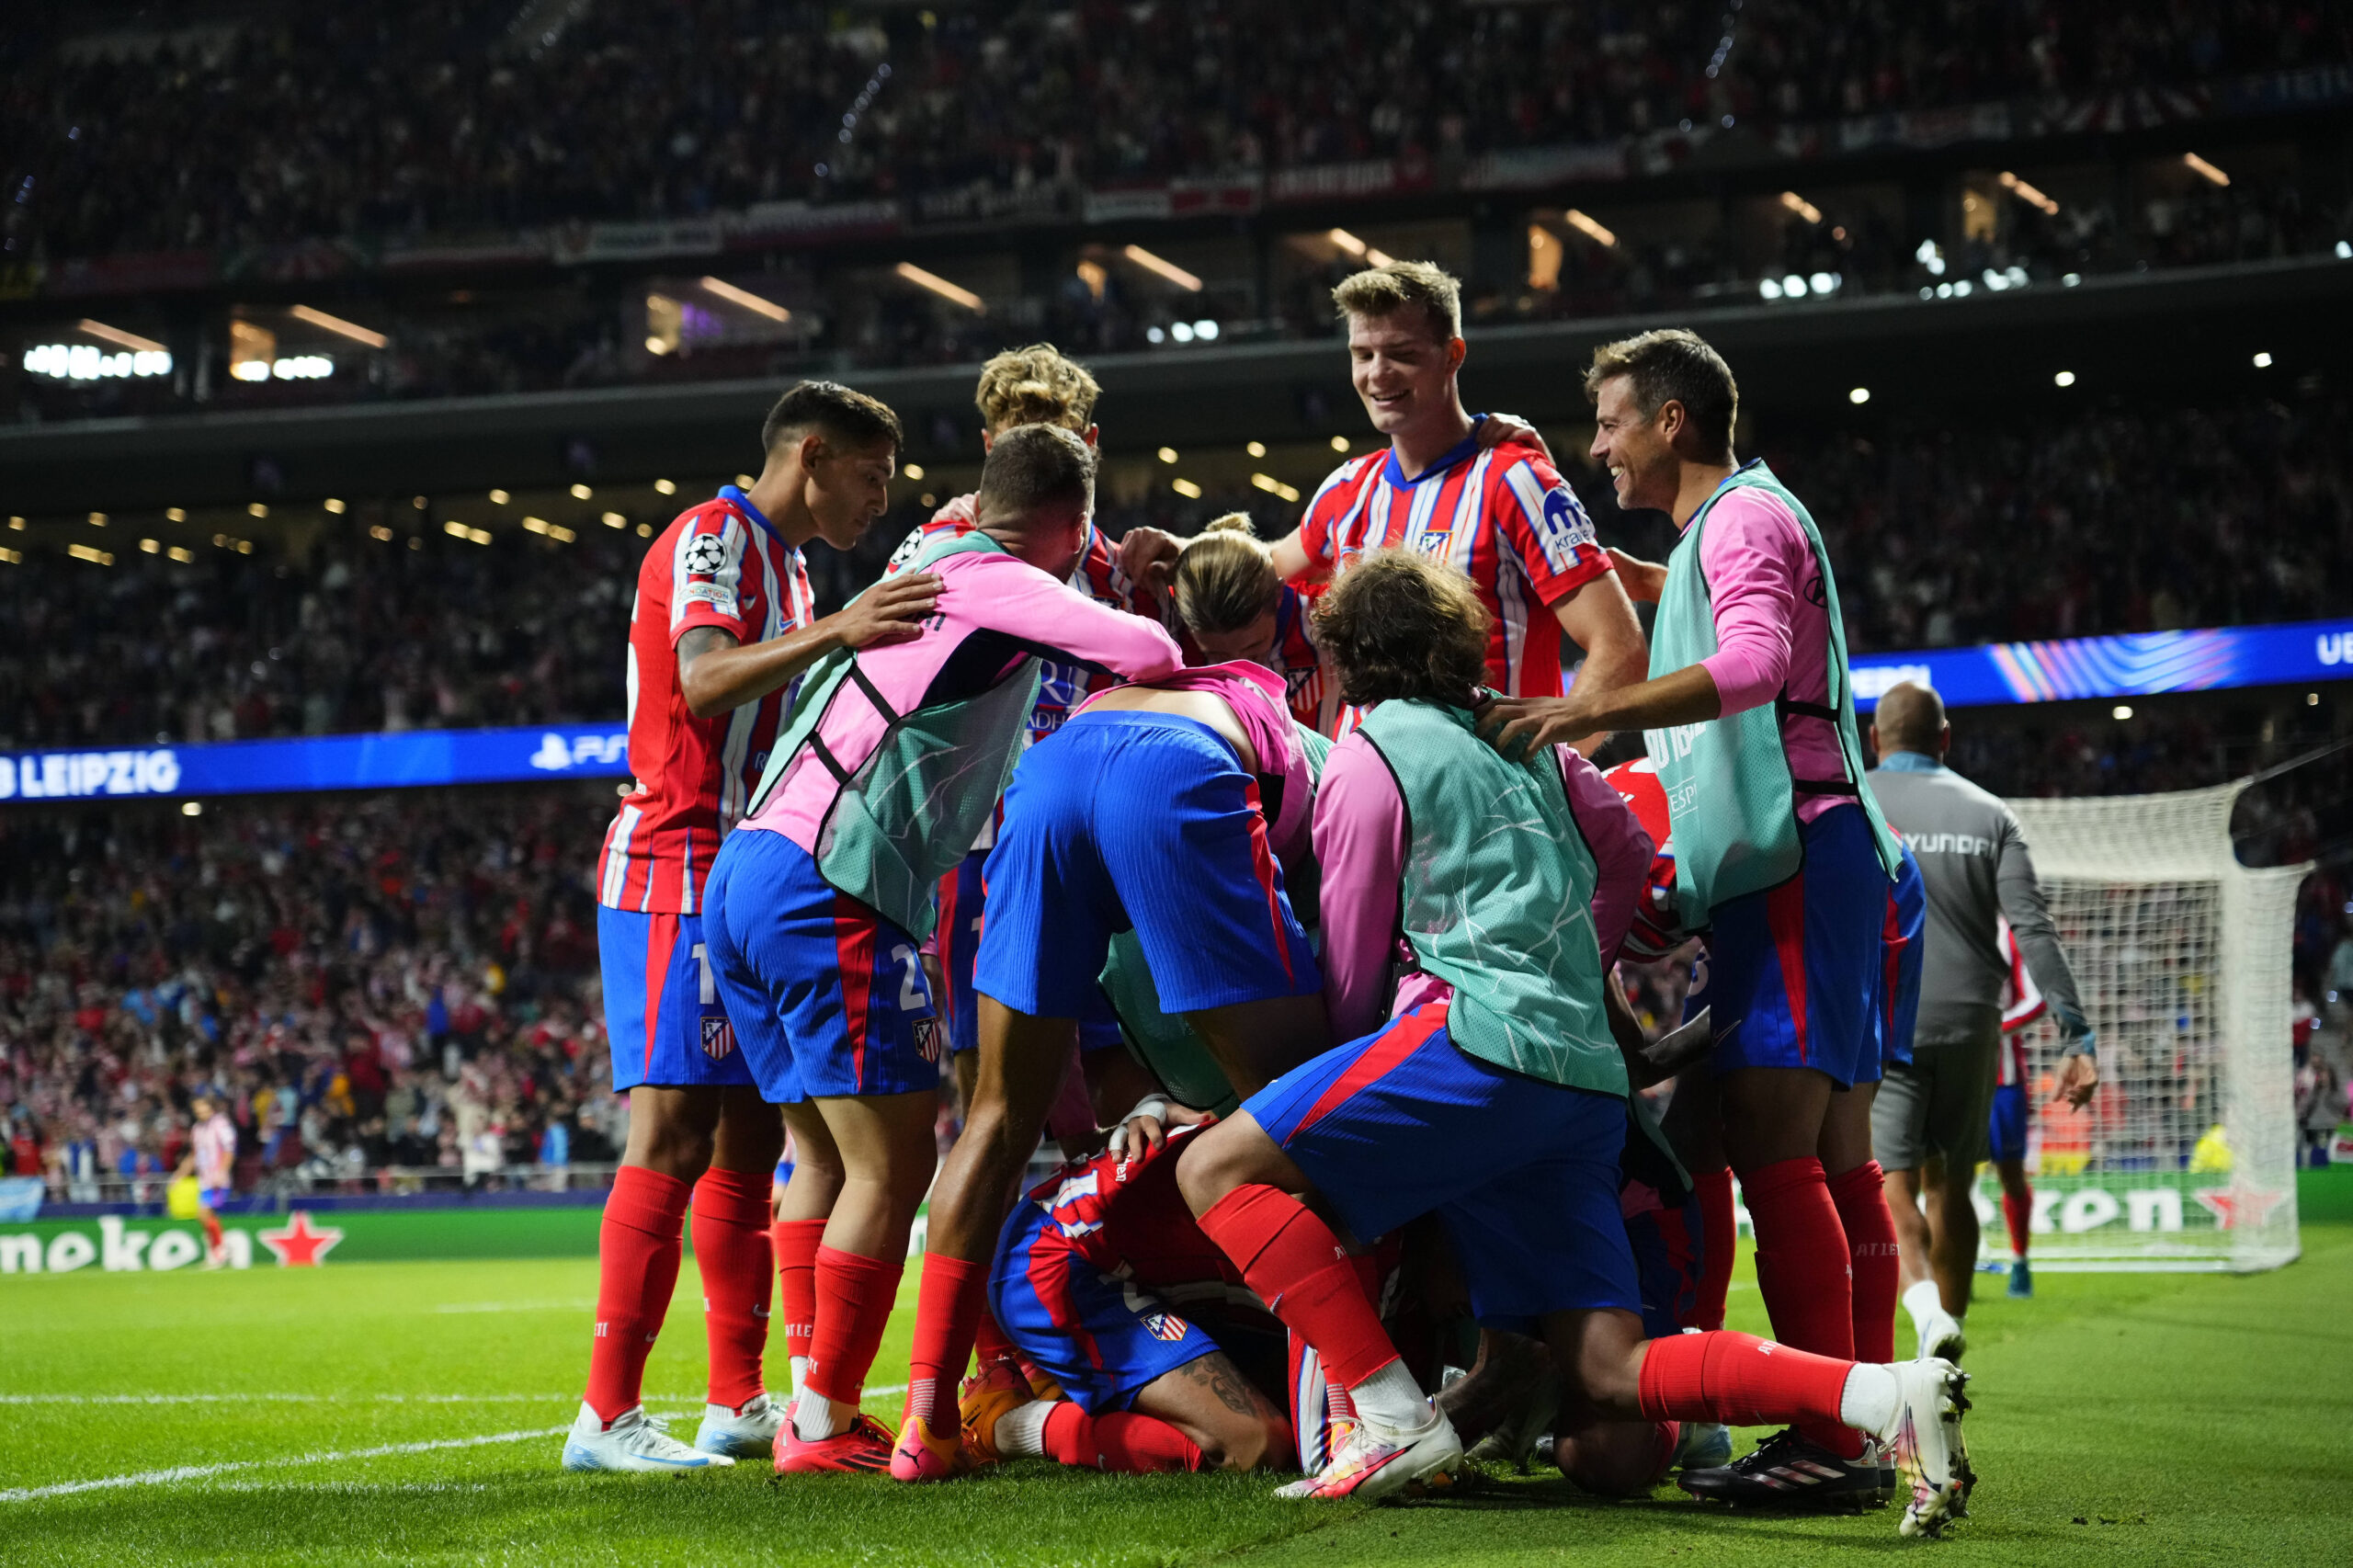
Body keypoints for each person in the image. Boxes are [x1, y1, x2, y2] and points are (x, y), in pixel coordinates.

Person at [1177, 552, 1972, 1536]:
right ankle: (1885, 1395)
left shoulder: (1370, 749)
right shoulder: (1533, 737)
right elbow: (1631, 855)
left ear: (1344, 657)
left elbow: (1350, 962)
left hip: (1469, 1042)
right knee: (1610, 1367)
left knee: (1213, 1167)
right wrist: (1571, 957)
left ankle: (1382, 1411)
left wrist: (1314, 1080)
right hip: (1582, 1079)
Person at [1479, 328, 1912, 1508]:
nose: (1597, 445)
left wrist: (1584, 712)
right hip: (1807, 859)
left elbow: (1759, 658)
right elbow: (1705, 610)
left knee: (1776, 1139)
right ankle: (1868, 1410)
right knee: (1810, 1147)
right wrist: (1588, 565)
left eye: (1612, 421)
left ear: (1671, 420)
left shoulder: (1744, 520)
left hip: (1798, 854)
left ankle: (1837, 1431)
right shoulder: (1731, 526)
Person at [704, 423, 1185, 1475]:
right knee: (898, 1157)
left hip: (746, 867)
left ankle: (808, 1405)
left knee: (821, 1155)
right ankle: (822, 1425)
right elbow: (1147, 653)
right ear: (1075, 521)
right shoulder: (990, 571)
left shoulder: (926, 551)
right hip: (830, 877)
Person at [564, 381, 938, 1475]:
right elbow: (703, 678)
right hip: (673, 860)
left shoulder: (787, 562)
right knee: (671, 1133)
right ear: (813, 455)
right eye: (871, 475)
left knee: (752, 1139)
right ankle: (606, 1413)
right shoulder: (714, 536)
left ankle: (734, 1398)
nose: (880, 498)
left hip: (737, 867)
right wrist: (841, 627)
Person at [893, 654, 1327, 1481]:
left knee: (991, 1118)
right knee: (1302, 1116)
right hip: (1073, 1252)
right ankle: (1013, 1421)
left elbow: (1104, 1085)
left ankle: (927, 1423)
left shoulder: (1138, 680)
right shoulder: (1305, 741)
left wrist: (1148, 1102)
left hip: (1049, 768)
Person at [1134, 260, 1644, 747]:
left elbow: (1619, 649)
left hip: (1492, 814)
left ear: (1453, 355)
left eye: (1401, 353)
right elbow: (1267, 564)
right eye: (1363, 354)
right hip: (1371, 804)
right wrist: (1184, 547)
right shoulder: (1348, 488)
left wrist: (1555, 776)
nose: (1378, 374)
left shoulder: (1516, 479)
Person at [1865, 681, 2097, 1349]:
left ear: (1876, 740)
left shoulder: (1856, 802)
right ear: (1945, 740)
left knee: (1893, 1184)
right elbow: (2034, 927)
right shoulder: (1992, 813)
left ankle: (1928, 1317)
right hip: (1972, 1021)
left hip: (1887, 1015)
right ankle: (1954, 1332)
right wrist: (2075, 1035)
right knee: (1954, 1183)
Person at [964, 1119, 1294, 1475]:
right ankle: (1008, 1425)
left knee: (1296, 1418)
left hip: (1164, 1268)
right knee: (1260, 1445)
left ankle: (1068, 1388)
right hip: (1058, 1252)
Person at [1169, 515, 1343, 736]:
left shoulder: (1328, 613)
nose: (1242, 672)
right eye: (1217, 656)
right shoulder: (1168, 629)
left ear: (1279, 595)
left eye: (1253, 650)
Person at [1989, 918, 2047, 1294]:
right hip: (1943, 1072)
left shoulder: (2007, 933)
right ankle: (1945, 1268)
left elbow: (2036, 999)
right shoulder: (1933, 918)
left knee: (2010, 1175)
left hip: (2002, 1079)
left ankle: (2020, 1260)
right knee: (1940, 1177)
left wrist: (1988, 1026)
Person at [172, 1093, 237, 1269]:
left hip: (217, 1179)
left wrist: (222, 1172)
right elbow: (194, 1155)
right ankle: (218, 1250)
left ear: (211, 1107)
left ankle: (220, 1251)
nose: (200, 1111)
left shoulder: (221, 1124)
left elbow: (229, 1149)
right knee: (205, 1216)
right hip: (204, 1180)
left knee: (203, 1213)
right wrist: (179, 1174)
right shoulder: (197, 1129)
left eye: (203, 1106)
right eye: (197, 1108)